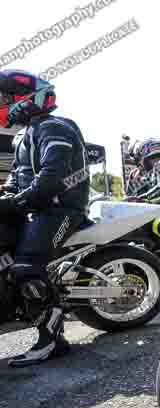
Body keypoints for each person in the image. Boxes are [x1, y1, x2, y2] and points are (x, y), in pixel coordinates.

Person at [0, 69, 88, 367]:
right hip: (35, 207)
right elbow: (16, 180)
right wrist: (7, 198)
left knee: (25, 267)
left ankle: (52, 341)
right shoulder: (25, 136)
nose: (2, 103)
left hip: (60, 209)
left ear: (27, 97)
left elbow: (50, 180)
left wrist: (14, 202)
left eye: (6, 97)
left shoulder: (55, 127)